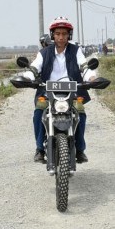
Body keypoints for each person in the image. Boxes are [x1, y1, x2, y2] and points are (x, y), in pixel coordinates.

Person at [22, 16, 96, 164]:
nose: (61, 37)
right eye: (58, 34)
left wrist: (92, 77)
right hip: (47, 92)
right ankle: (39, 149)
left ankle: (80, 150)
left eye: (64, 34)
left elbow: (84, 67)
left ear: (69, 35)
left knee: (80, 113)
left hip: (73, 92)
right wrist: (28, 77)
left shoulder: (76, 51)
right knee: (39, 113)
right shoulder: (44, 53)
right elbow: (35, 67)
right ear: (52, 35)